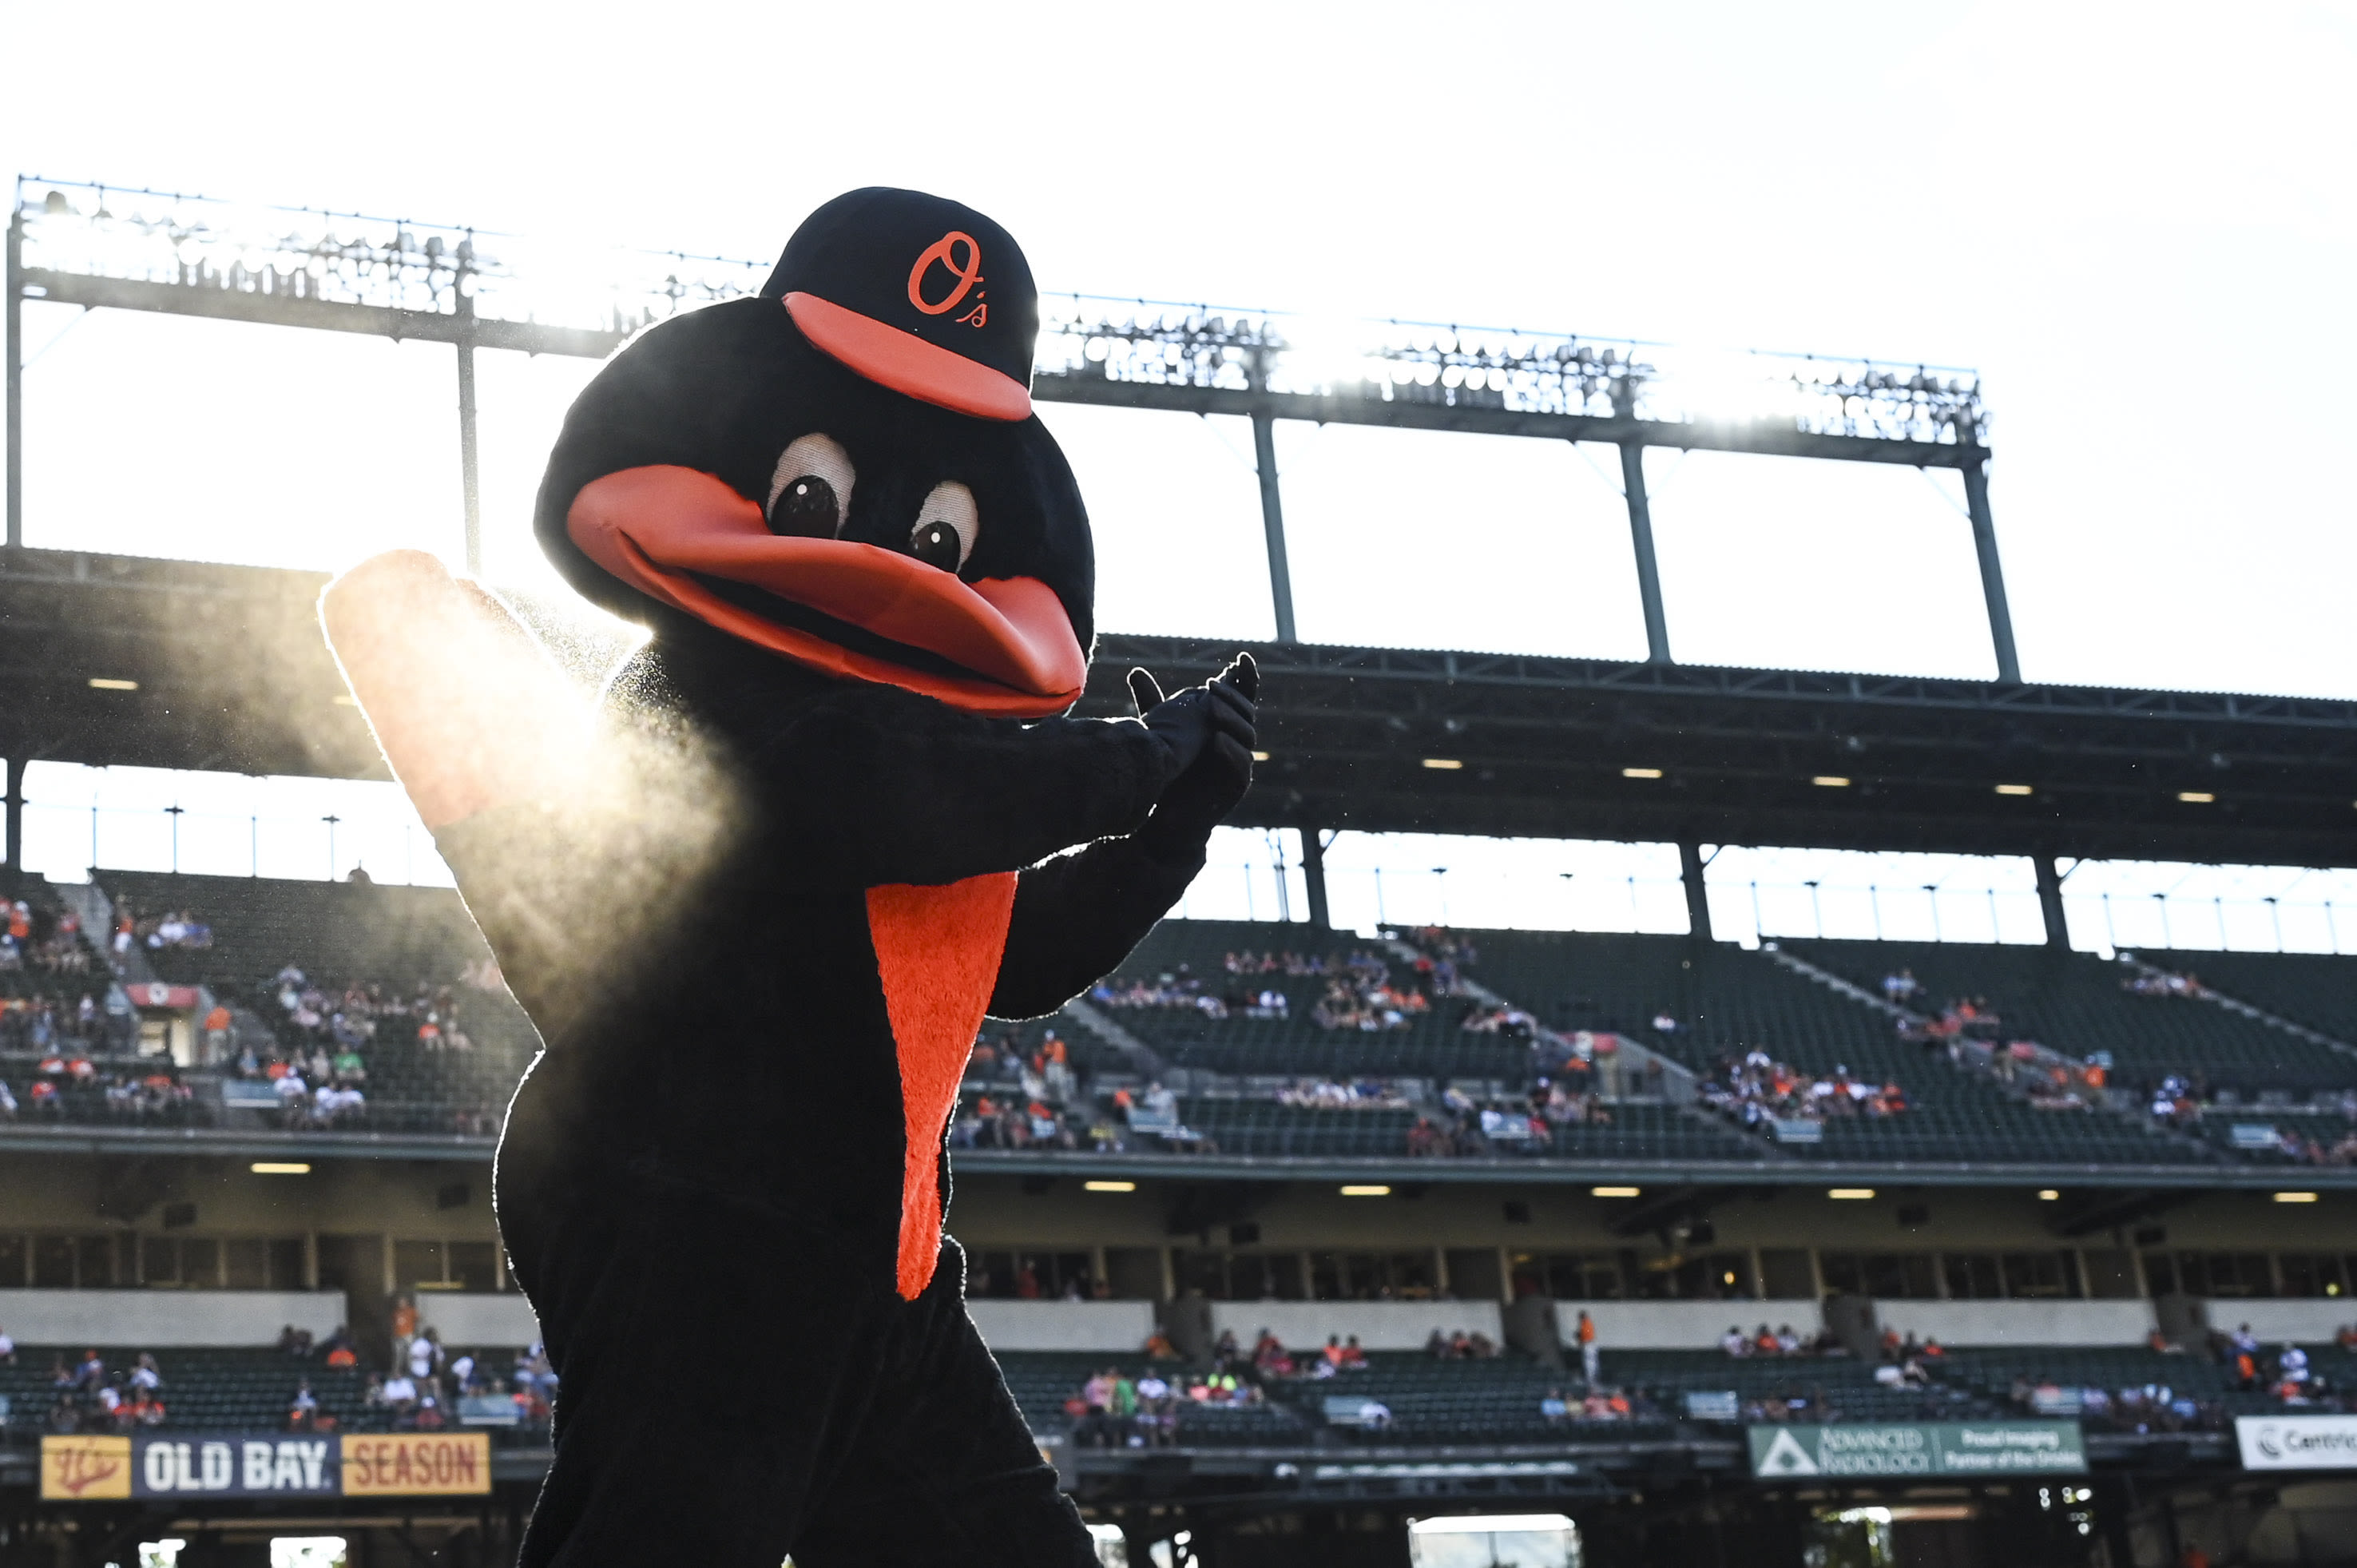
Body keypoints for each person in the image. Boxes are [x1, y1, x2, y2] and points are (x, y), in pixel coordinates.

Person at [1577, 1309, 1599, 1386]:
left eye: (1580, 1317)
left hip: (1589, 1344)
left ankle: (1591, 1379)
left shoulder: (1587, 1323)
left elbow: (1587, 1336)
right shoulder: (1584, 1324)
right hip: (1588, 1344)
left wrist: (1580, 1338)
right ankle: (1590, 1379)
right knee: (1589, 1362)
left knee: (1590, 1362)